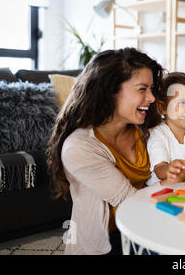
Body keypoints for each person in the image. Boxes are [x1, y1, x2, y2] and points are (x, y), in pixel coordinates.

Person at [47, 48, 165, 255]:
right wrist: (178, 178)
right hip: (110, 239)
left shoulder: (143, 129)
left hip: (146, 218)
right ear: (110, 91)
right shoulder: (79, 148)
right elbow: (131, 203)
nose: (152, 98)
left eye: (152, 89)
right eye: (142, 89)